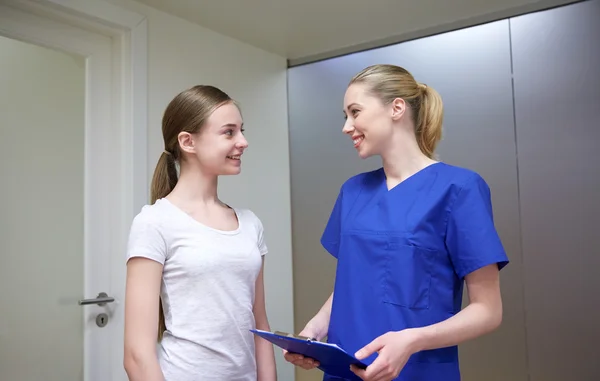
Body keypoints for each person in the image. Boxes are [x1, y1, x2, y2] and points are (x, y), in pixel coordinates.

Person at [284, 64, 509, 381]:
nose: (347, 126)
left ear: (396, 108)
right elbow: (354, 283)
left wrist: (411, 340)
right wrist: (315, 329)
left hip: (415, 372)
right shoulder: (353, 191)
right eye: (345, 116)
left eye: (355, 112)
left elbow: (488, 311)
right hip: (345, 371)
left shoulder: (459, 189)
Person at [123, 85, 277, 381]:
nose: (243, 142)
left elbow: (260, 325)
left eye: (241, 131)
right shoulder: (154, 222)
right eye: (229, 132)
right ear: (187, 142)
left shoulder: (250, 225)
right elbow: (136, 356)